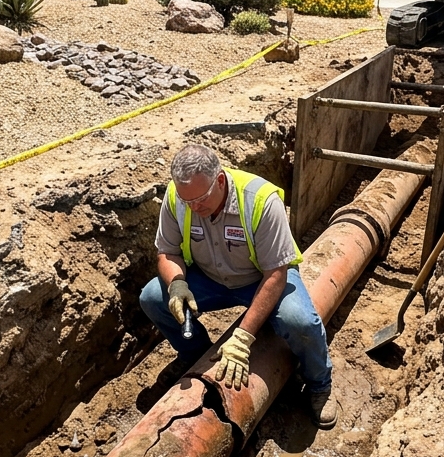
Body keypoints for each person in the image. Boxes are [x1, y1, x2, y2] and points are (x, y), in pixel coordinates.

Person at [139, 144, 337, 428]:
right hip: (209, 277)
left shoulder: (260, 200)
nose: (194, 207)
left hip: (261, 277)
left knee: (300, 322)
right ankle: (196, 355)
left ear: (220, 180)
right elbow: (167, 251)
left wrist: (243, 337)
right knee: (152, 298)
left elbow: (275, 274)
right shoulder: (178, 197)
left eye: (201, 199)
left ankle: (319, 384)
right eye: (188, 201)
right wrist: (178, 283)